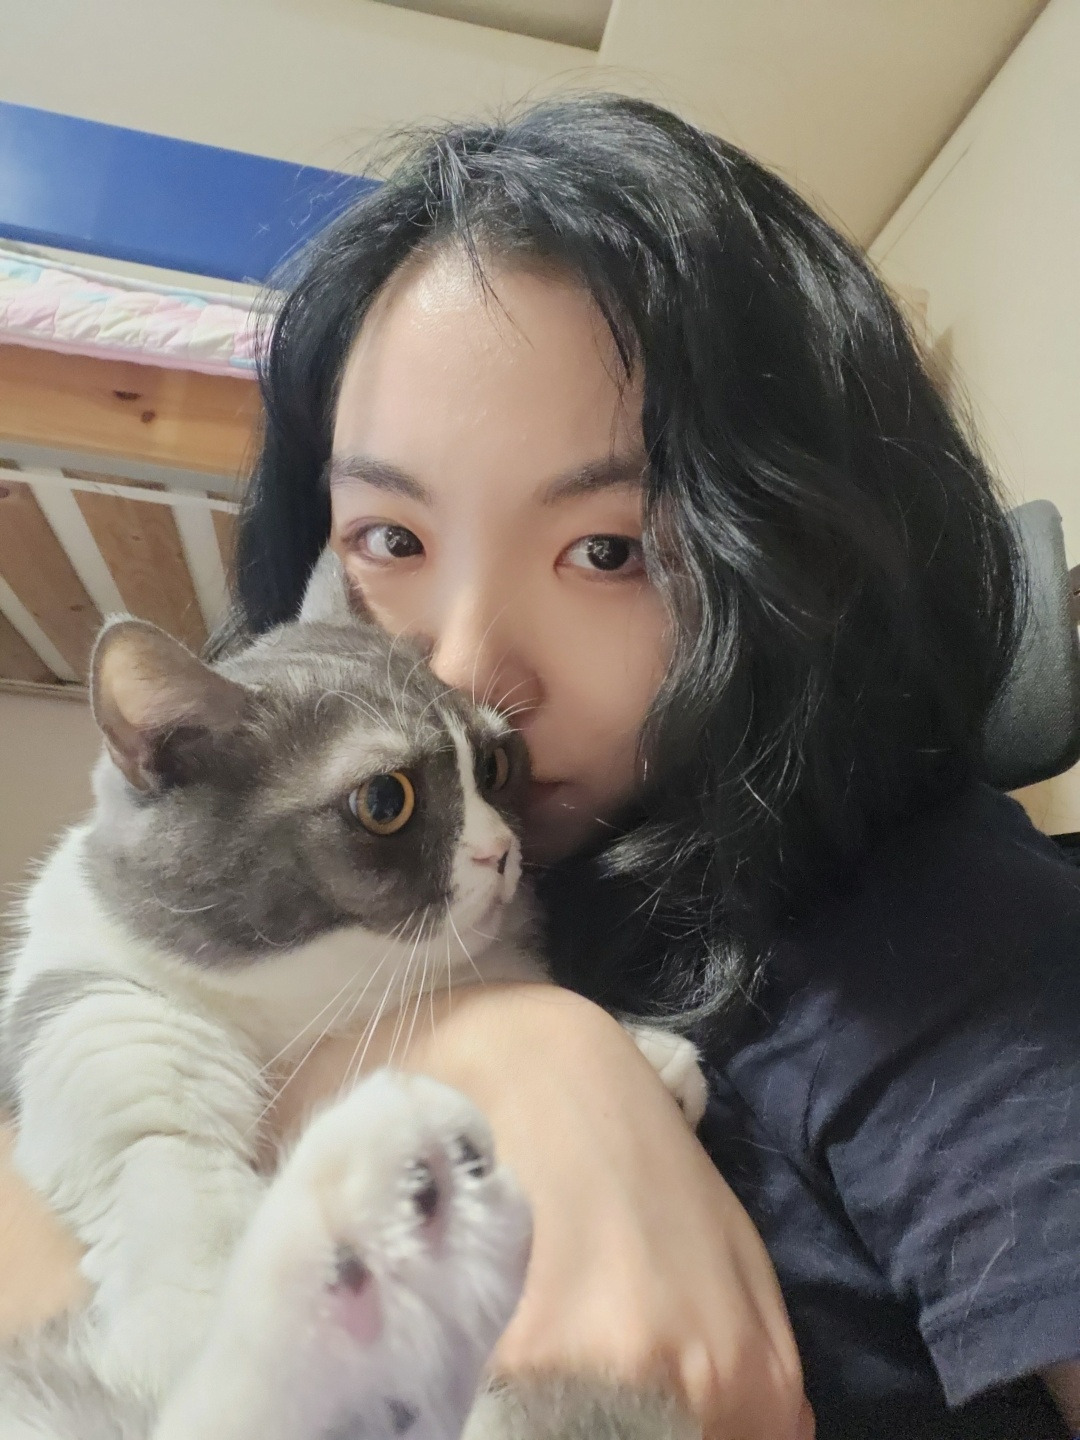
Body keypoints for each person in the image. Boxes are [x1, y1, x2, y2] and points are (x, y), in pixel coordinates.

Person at [3, 94, 1080, 1438]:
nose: (462, 678)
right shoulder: (282, 896)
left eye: (609, 552)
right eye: (391, 539)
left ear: (789, 560)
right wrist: (512, 1049)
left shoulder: (935, 935)